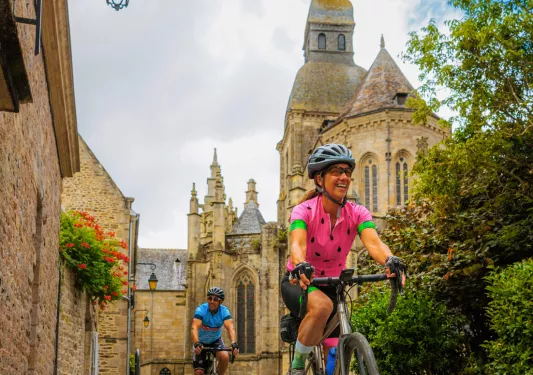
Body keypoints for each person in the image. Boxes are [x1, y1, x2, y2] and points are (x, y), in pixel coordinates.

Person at [281, 144, 406, 375]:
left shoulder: (358, 213)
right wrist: (300, 264)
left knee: (335, 360)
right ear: (319, 179)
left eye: (347, 172)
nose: (344, 177)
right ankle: (297, 366)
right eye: (337, 171)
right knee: (322, 306)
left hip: (334, 284)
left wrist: (391, 260)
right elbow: (297, 244)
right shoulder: (303, 210)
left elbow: (374, 243)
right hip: (300, 281)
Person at [191, 287, 239, 375]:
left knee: (225, 357)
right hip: (200, 342)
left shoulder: (224, 311)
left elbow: (230, 328)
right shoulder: (201, 309)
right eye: (210, 298)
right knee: (199, 372)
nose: (212, 301)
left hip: (215, 340)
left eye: (215, 299)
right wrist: (196, 342)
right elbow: (194, 327)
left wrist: (234, 342)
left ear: (220, 302)